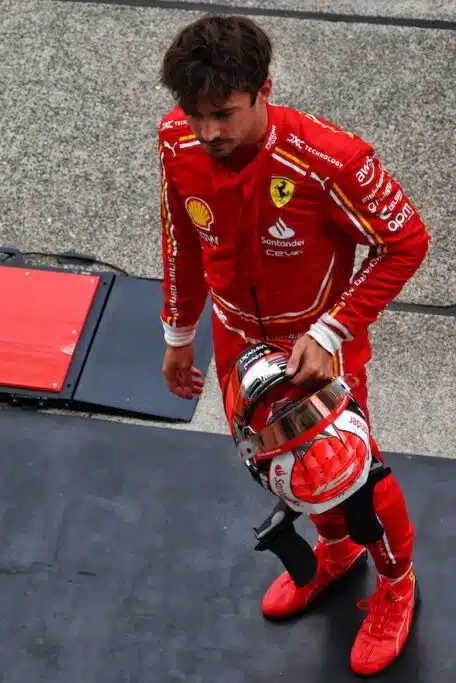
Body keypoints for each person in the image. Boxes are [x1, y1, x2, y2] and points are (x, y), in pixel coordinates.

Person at [155, 15, 429, 677]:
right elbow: (181, 238)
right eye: (196, 114)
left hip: (317, 346)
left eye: (224, 113)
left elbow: (406, 241)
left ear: (264, 90)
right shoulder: (176, 141)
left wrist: (332, 330)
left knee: (349, 469)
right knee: (281, 465)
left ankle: (397, 584)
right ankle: (337, 550)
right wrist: (178, 334)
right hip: (234, 342)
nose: (208, 132)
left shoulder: (330, 159)